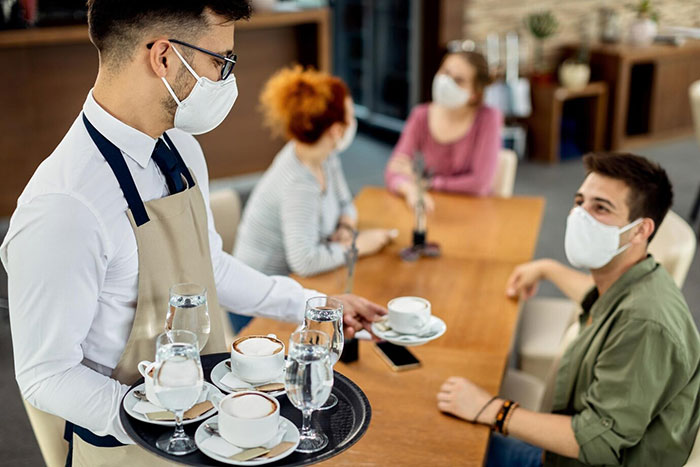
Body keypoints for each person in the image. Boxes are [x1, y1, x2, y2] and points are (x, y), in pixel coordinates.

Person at [0, 2, 385, 465]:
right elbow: (46, 374)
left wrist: (311, 305)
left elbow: (209, 267)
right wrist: (167, 422)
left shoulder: (181, 149)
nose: (227, 79)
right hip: (132, 447)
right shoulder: (63, 207)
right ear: (164, 57)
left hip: (214, 426)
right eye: (221, 61)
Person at [437, 153, 700, 466]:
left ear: (640, 230)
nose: (580, 215)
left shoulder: (644, 324)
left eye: (600, 208)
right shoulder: (635, 282)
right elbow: (599, 301)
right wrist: (548, 268)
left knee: (445, 448)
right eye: (580, 202)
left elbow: (596, 442)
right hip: (564, 455)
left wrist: (490, 408)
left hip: (580, 457)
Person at [234, 66, 394, 277]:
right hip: (256, 301)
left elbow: (346, 202)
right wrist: (360, 245)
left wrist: (345, 228)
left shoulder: (325, 156)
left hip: (293, 283)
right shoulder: (298, 183)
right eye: (351, 116)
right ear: (336, 131)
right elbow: (305, 262)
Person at [385, 49, 502, 212]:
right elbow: (394, 170)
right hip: (427, 208)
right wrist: (411, 190)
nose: (446, 82)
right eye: (445, 72)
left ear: (475, 93)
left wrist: (426, 182)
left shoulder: (488, 118)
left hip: (473, 211)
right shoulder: (420, 115)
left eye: (458, 80)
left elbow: (480, 183)